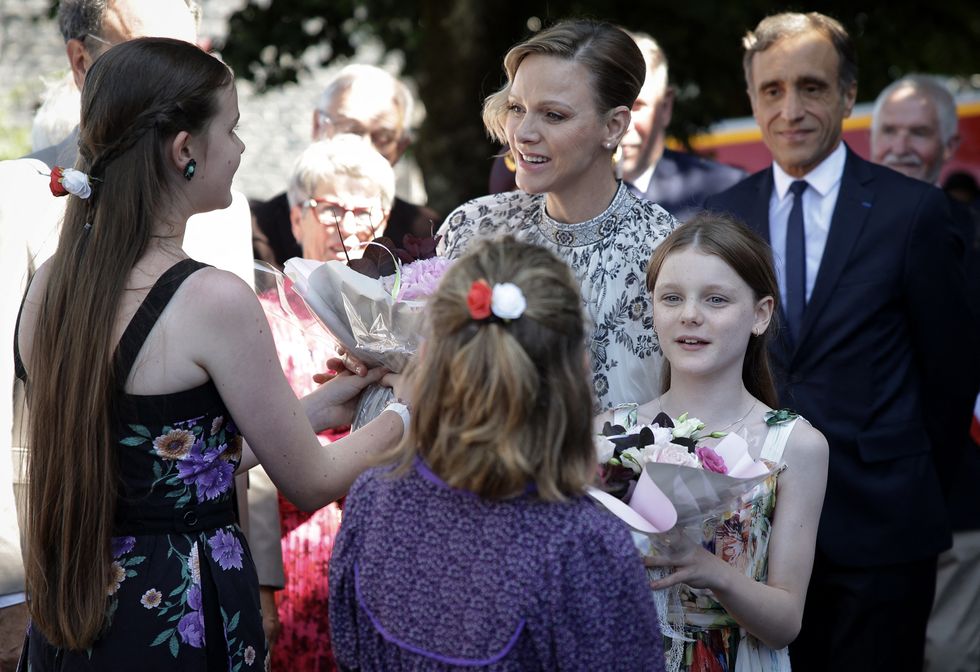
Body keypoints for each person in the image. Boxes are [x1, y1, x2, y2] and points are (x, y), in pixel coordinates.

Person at [14, 37, 407, 670]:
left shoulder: (53, 282)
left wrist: (318, 408)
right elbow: (311, 481)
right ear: (185, 150)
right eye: (232, 128)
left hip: (72, 607)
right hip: (177, 612)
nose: (242, 148)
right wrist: (409, 407)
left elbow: (167, 464)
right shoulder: (211, 297)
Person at [703, 12, 978, 671]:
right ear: (753, 99)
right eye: (772, 90)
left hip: (884, 530)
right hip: (758, 529)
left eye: (811, 87)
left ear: (849, 95)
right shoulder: (724, 216)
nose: (790, 110)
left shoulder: (913, 212)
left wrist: (906, 476)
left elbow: (950, 374)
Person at [328, 235, 666, 671]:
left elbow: (350, 653)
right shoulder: (583, 547)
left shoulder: (373, 498)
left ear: (428, 358)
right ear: (576, 370)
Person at [595, 213, 828, 671]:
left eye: (716, 299)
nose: (690, 315)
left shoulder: (793, 444)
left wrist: (709, 570)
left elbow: (785, 623)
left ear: (761, 314)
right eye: (672, 298)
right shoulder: (608, 433)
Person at [438, 19, 678, 410]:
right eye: (516, 108)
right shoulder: (471, 228)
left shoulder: (665, 253)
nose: (523, 133)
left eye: (553, 115)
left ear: (613, 126)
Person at [258, 135, 395, 671]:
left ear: (384, 219)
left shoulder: (402, 315)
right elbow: (250, 471)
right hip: (295, 551)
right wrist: (263, 585)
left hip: (385, 545)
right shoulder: (264, 317)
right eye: (331, 208)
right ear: (297, 219)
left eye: (363, 210)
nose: (348, 224)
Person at [871, 76, 980, 672]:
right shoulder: (845, 235)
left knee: (947, 654)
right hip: (861, 506)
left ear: (950, 145)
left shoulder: (969, 233)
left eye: (918, 132)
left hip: (955, 494)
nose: (901, 145)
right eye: (890, 130)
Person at [250, 64, 438, 267]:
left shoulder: (426, 237)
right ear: (317, 126)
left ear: (401, 147)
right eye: (350, 130)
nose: (363, 146)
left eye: (383, 137)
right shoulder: (256, 232)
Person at [619, 31, 746, 220]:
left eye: (636, 106)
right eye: (609, 108)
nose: (622, 125)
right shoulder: (572, 195)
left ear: (666, 106)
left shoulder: (725, 191)